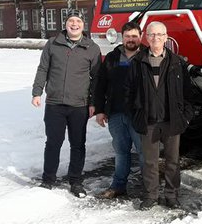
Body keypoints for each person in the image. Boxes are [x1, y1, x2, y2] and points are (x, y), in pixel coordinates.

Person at [32, 11, 101, 198]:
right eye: (71, 21)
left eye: (78, 21)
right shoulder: (53, 44)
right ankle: (48, 180)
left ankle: (76, 181)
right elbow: (43, 69)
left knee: (78, 144)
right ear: (66, 24)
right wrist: (37, 92)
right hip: (55, 103)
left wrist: (94, 103)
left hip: (79, 105)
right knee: (53, 142)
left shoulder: (92, 48)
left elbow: (97, 79)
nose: (75, 24)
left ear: (83, 25)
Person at [125, 21, 194, 210]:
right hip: (148, 122)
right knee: (149, 162)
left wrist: (185, 117)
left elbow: (188, 94)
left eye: (159, 35)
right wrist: (136, 114)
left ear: (166, 37)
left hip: (171, 122)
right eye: (152, 34)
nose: (156, 38)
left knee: (172, 161)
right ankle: (150, 196)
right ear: (146, 37)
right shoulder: (137, 62)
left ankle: (171, 195)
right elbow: (128, 93)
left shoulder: (177, 63)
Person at [93, 21, 144, 199]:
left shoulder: (147, 56)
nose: (131, 39)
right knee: (121, 152)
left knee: (144, 153)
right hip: (116, 114)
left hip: (139, 115)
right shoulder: (112, 57)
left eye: (134, 36)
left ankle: (149, 188)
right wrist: (99, 110)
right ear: (122, 38)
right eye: (127, 36)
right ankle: (118, 186)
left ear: (141, 37)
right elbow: (100, 84)